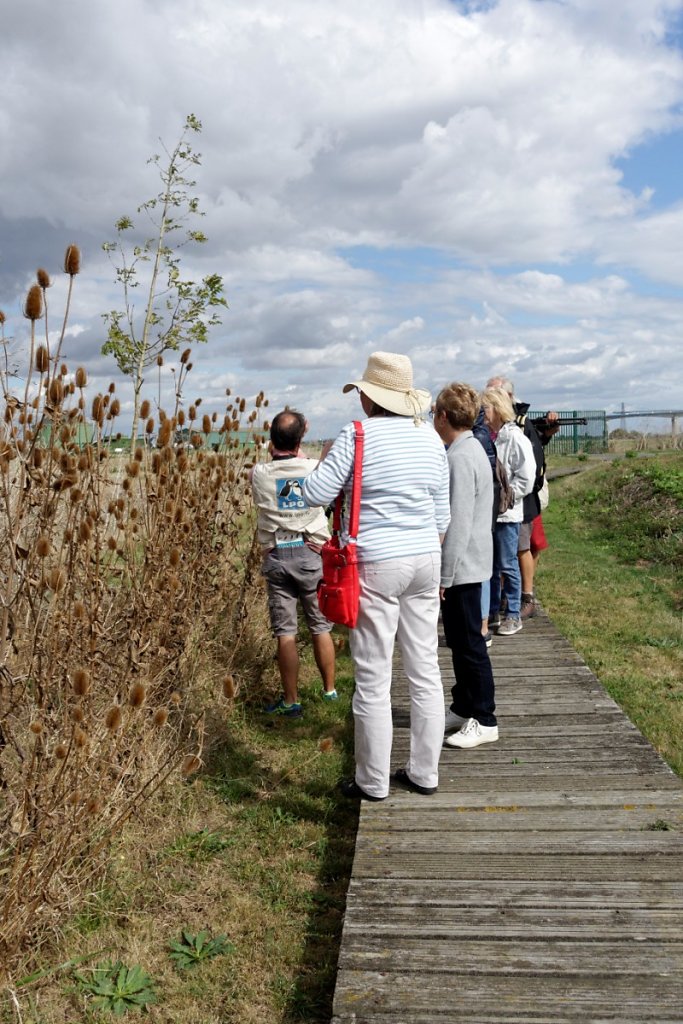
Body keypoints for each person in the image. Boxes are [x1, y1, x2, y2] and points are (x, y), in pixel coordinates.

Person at [302, 352, 450, 800]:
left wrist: (325, 460)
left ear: (370, 397)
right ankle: (425, 773)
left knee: (373, 675)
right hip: (426, 556)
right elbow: (442, 514)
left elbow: (315, 492)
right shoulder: (429, 438)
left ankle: (372, 781)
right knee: (425, 669)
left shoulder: (356, 434)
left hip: (376, 562)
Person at [251, 409, 336, 717]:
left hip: (277, 554)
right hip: (311, 551)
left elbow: (273, 458)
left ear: (272, 439)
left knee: (285, 631)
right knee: (320, 625)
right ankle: (329, 690)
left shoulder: (259, 473)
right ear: (302, 437)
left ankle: (291, 700)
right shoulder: (315, 468)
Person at [432, 383, 498, 749]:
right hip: (470, 563)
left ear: (444, 416)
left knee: (470, 643)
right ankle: (464, 704)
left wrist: (444, 575)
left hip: (463, 567)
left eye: (434, 415)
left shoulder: (459, 457)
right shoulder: (469, 449)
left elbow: (455, 524)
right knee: (459, 640)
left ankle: (485, 717)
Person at [486, 375, 559, 617]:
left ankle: (523, 599)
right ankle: (506, 602)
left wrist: (509, 495)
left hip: (518, 500)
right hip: (505, 501)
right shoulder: (501, 428)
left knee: (523, 547)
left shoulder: (518, 427)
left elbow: (529, 463)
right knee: (506, 556)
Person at [481, 387, 536, 636]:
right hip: (491, 513)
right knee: (491, 566)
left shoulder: (515, 438)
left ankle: (513, 614)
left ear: (498, 409)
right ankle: (493, 611)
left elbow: (526, 476)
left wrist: (506, 496)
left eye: (486, 408)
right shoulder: (491, 437)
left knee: (507, 564)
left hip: (506, 513)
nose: (483, 412)